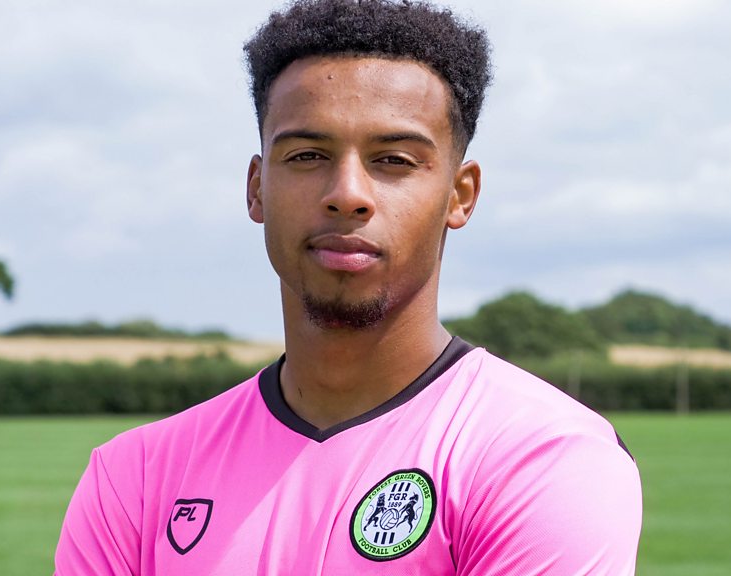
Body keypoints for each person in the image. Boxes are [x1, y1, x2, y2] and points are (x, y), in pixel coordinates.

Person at [54, 0, 642, 574]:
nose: (348, 193)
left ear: (459, 195)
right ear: (257, 188)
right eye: (308, 155)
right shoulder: (134, 477)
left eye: (394, 160)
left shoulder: (543, 457)